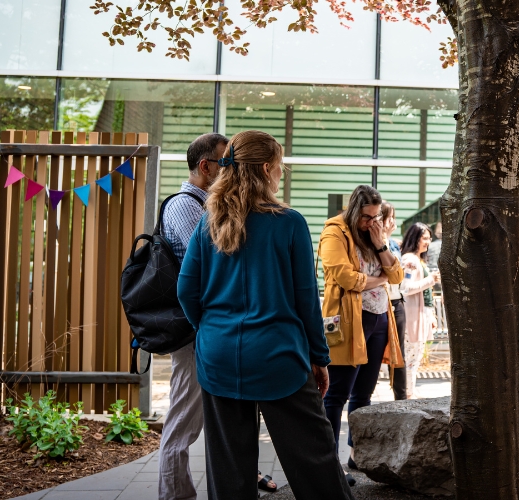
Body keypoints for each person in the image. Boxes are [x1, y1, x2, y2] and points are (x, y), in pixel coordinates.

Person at [176, 130, 352, 499]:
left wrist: (209, 331)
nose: (281, 174)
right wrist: (320, 358)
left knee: (229, 472)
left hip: (219, 356)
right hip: (279, 358)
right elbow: (307, 300)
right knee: (315, 463)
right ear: (269, 168)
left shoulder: (209, 221)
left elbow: (185, 290)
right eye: (281, 167)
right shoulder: (288, 222)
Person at [159, 132, 230, 500]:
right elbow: (203, 268)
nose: (232, 172)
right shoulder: (187, 206)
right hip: (192, 329)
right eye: (227, 164)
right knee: (183, 420)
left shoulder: (205, 205)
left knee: (196, 417)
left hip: (203, 327)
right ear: (206, 167)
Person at [319, 185, 405, 478]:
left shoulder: (374, 234)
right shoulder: (334, 232)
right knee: (336, 394)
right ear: (355, 211)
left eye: (376, 216)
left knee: (364, 394)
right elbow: (344, 276)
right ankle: (328, 465)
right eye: (367, 217)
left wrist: (381, 244)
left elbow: (397, 275)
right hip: (347, 321)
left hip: (380, 318)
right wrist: (379, 280)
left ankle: (357, 455)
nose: (372, 222)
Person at [399, 222, 440, 398]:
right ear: (415, 238)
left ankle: (409, 391)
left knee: (414, 357)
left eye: (429, 238)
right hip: (412, 317)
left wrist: (430, 315)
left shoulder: (417, 260)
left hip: (419, 315)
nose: (428, 241)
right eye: (424, 238)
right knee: (411, 356)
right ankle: (408, 393)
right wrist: (430, 280)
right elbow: (406, 288)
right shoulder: (410, 260)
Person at [382, 202, 408, 401]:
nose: (393, 222)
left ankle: (401, 398)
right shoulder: (379, 242)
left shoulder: (393, 244)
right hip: (381, 303)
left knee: (399, 354)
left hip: (397, 301)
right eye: (390, 217)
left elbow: (396, 276)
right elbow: (389, 273)